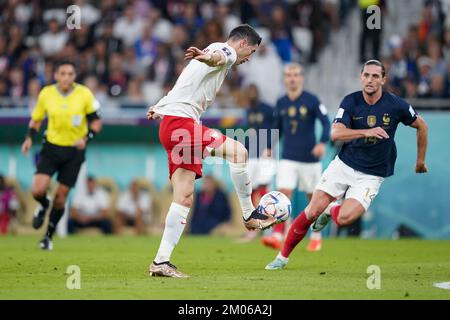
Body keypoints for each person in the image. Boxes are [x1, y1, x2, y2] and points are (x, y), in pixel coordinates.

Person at [265, 60, 428, 270]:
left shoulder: (396, 105)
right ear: (361, 77)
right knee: (311, 210)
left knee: (344, 218)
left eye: (375, 76)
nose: (370, 80)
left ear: (383, 79)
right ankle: (282, 257)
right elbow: (336, 132)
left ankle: (330, 211)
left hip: (372, 174)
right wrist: (366, 131)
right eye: (366, 75)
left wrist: (420, 161)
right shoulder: (350, 102)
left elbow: (421, 125)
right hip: (343, 165)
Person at [146, 24, 274, 278]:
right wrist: (209, 57)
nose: (248, 59)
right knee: (239, 152)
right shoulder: (223, 50)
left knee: (183, 197)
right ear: (242, 44)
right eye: (251, 52)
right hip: (181, 125)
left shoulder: (213, 51)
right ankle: (249, 214)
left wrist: (160, 106)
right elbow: (220, 57)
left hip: (172, 124)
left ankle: (161, 262)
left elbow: (184, 84)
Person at [21, 61, 102, 251]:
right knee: (37, 190)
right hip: (51, 147)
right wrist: (28, 138)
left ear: (75, 76)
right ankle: (43, 203)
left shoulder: (84, 94)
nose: (67, 77)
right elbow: (37, 119)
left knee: (61, 197)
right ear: (56, 75)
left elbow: (96, 122)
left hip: (74, 152)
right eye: (63, 73)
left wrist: (87, 138)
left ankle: (48, 236)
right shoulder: (46, 93)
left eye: (70, 73)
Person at [261, 63, 330, 252]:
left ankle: (316, 236)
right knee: (283, 194)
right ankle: (277, 234)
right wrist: (269, 147)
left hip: (310, 158)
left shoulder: (312, 100)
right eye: (289, 75)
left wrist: (322, 142)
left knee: (313, 199)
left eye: (296, 74)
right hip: (288, 157)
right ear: (285, 79)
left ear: (301, 78)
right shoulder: (281, 102)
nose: (292, 78)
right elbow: (277, 128)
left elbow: (325, 122)